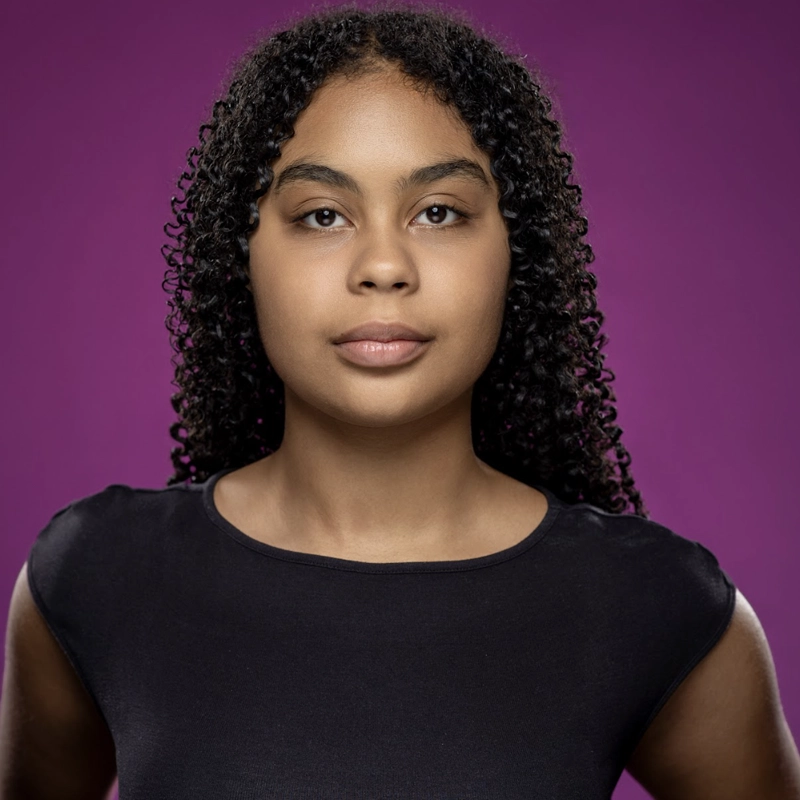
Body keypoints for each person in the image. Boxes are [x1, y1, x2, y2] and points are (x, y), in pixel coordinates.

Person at [2, 2, 799, 798]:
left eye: (439, 212)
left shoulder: (656, 605)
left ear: (515, 251)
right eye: (321, 215)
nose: (383, 266)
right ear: (240, 255)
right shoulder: (94, 577)